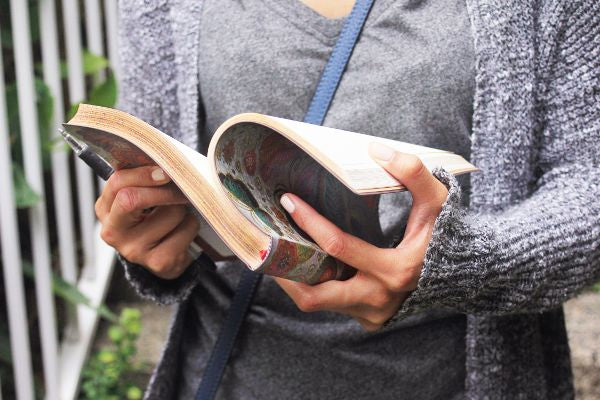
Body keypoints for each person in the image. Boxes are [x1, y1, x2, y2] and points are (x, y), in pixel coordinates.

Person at [94, 0, 599, 398]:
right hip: (230, 370)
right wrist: (155, 246)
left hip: (457, 378)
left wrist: (465, 263)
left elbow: (588, 184)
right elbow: (162, 161)